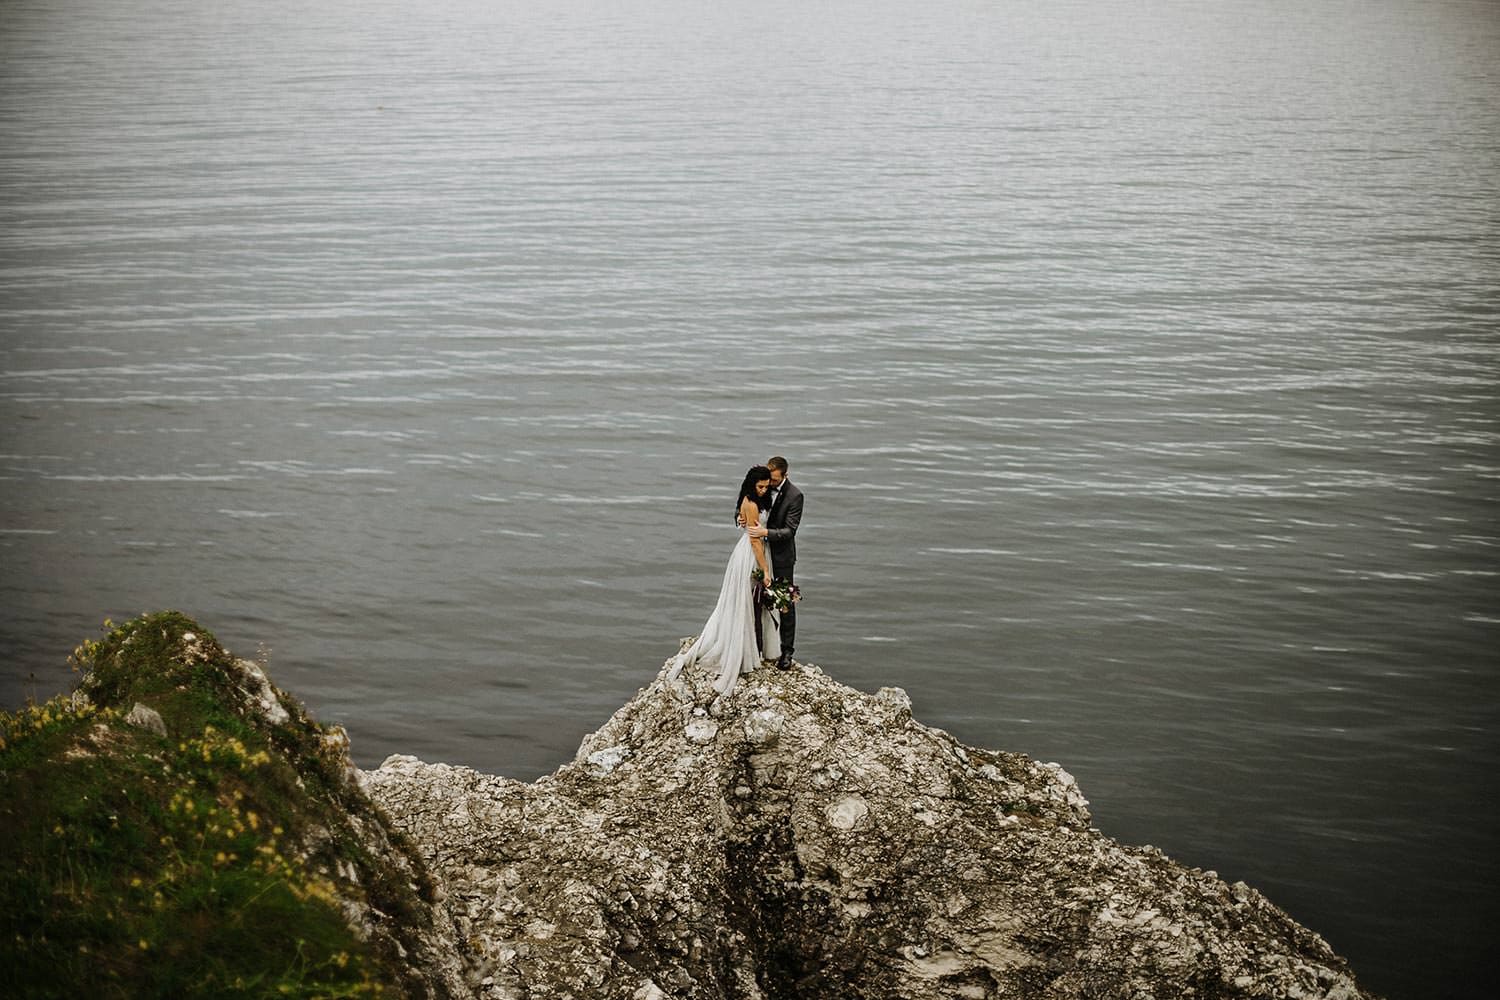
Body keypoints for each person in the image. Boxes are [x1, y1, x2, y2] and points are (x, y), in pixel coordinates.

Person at [665, 466, 778, 696]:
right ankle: (744, 649)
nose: (764, 490)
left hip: (746, 551)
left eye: (767, 486)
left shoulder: (749, 500)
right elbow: (756, 542)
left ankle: (752, 645)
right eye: (760, 486)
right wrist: (765, 570)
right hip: (751, 555)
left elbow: (744, 522)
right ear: (751, 485)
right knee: (746, 601)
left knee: (746, 601)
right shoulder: (752, 503)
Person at [746, 456, 802, 671]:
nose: (771, 484)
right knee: (754, 598)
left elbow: (790, 530)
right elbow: (745, 503)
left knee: (785, 602)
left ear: (785, 475)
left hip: (781, 557)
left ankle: (786, 651)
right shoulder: (762, 485)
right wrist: (740, 518)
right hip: (758, 554)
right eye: (770, 479)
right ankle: (758, 646)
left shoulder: (795, 496)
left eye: (776, 481)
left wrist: (765, 532)